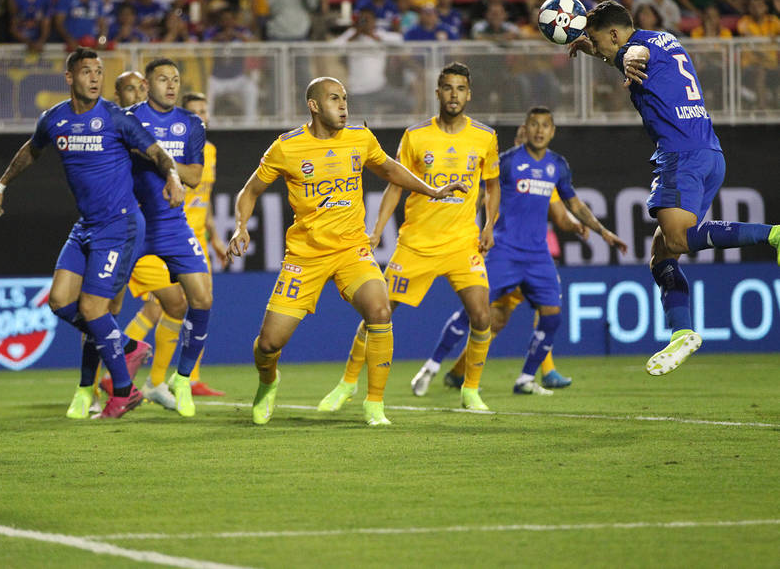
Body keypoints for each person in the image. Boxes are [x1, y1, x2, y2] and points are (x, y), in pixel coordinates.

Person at [226, 77, 468, 426]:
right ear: (314, 105)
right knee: (268, 343)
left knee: (380, 310)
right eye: (335, 99)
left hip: (352, 249)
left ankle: (374, 404)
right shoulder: (286, 147)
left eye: (345, 99)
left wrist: (432, 190)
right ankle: (268, 382)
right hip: (305, 256)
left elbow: (387, 167)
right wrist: (240, 226)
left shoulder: (360, 137)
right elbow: (249, 192)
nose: (343, 105)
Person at [570, 0, 780, 375]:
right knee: (662, 255)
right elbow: (630, 52)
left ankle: (774, 235)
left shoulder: (636, 49)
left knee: (678, 240)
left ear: (615, 34)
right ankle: (682, 332)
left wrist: (622, 55)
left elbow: (632, 53)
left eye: (598, 38)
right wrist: (599, 54)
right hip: (709, 152)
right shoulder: (664, 40)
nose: (594, 43)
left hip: (680, 154)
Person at [0, 48, 184, 419]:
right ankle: (124, 345)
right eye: (87, 71)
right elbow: (32, 149)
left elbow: (157, 153)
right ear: (69, 78)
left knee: (94, 308)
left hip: (120, 225)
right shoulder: (55, 119)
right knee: (59, 301)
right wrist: (1, 184)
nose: (95, 78)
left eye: (99, 71)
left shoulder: (115, 118)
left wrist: (172, 177)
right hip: (86, 226)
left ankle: (123, 391)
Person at [318, 62, 501, 413]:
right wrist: (376, 230)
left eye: (460, 88)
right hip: (417, 243)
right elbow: (394, 186)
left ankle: (471, 390)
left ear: (469, 94)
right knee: (378, 313)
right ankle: (347, 382)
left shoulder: (485, 137)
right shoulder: (417, 136)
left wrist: (490, 223)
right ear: (437, 92)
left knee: (482, 317)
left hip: (463, 243)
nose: (454, 95)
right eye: (447, 88)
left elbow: (492, 185)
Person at [416, 109, 627, 396]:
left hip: (538, 256)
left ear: (552, 132)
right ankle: (432, 365)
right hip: (505, 252)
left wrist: (603, 232)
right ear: (525, 129)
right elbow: (480, 194)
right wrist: (467, 228)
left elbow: (574, 206)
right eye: (534, 125)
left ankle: (527, 378)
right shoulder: (508, 162)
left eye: (545, 126)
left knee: (551, 315)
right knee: (475, 311)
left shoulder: (557, 166)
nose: (539, 131)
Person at [109, 59, 213, 418]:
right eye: (162, 79)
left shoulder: (190, 124)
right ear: (147, 85)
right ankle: (92, 387)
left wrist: (158, 157)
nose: (170, 85)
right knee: (104, 307)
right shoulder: (126, 120)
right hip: (131, 224)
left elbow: (195, 176)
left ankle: (178, 379)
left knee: (198, 300)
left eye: (176, 79)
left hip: (172, 225)